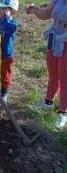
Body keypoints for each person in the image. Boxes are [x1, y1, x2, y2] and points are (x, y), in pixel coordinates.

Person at [26, 0, 67, 129]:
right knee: (53, 72)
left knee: (64, 77)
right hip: (54, 37)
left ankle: (63, 112)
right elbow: (48, 13)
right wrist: (36, 10)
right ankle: (48, 102)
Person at [0, 0, 19, 103]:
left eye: (4, 9)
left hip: (6, 54)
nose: (0, 10)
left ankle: (4, 92)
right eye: (0, 8)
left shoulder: (12, 23)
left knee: (5, 73)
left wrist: (5, 19)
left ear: (11, 11)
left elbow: (9, 29)